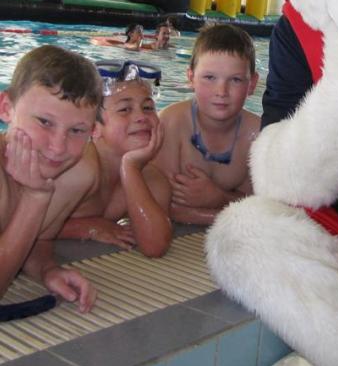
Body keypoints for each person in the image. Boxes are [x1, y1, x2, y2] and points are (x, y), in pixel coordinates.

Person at [0, 45, 101, 312]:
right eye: (44, 122)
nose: (57, 147)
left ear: (93, 130)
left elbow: (39, 239)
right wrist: (36, 197)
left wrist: (47, 270)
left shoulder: (75, 174)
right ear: (6, 108)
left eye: (77, 130)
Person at [59, 60, 173, 258]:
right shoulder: (77, 166)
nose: (141, 117)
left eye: (148, 108)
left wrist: (130, 167)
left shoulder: (152, 179)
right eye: (125, 109)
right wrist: (83, 227)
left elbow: (155, 246)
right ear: (93, 127)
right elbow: (23, 219)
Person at [156, 23, 260, 225]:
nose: (221, 91)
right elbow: (160, 204)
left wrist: (218, 197)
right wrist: (226, 210)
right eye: (209, 77)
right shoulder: (171, 124)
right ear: (191, 78)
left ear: (252, 84)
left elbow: (261, 206)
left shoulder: (257, 135)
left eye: (236, 80)